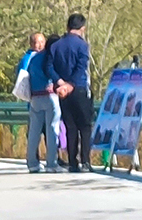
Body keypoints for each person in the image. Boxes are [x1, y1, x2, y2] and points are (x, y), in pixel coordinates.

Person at [44, 13, 93, 172]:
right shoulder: (82, 45)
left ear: (68, 26)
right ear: (82, 28)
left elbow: (49, 67)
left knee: (70, 126)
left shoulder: (56, 45)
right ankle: (85, 161)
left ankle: (73, 162)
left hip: (62, 91)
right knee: (85, 126)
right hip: (78, 88)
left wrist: (60, 83)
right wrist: (71, 84)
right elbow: (81, 67)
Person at [17, 32, 58, 173]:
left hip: (34, 98)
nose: (39, 45)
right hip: (49, 96)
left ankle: (32, 163)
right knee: (52, 129)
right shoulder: (48, 57)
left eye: (41, 42)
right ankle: (52, 163)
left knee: (34, 132)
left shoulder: (30, 59)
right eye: (36, 42)